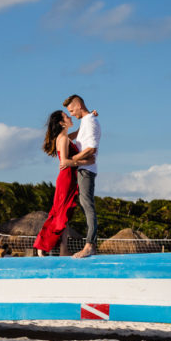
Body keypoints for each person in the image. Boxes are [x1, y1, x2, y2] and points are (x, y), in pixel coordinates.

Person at [33, 110, 95, 257]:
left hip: (68, 179)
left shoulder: (64, 137)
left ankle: (63, 249)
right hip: (66, 179)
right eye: (67, 116)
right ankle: (42, 246)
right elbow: (65, 162)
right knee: (60, 214)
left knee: (63, 215)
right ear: (62, 123)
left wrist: (89, 118)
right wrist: (87, 161)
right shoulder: (63, 139)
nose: (70, 116)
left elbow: (78, 133)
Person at [63, 94, 101, 258]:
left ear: (78, 105)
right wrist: (61, 138)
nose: (71, 114)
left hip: (87, 169)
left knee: (87, 205)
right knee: (83, 204)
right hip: (82, 168)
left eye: (71, 110)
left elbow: (91, 148)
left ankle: (90, 245)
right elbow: (78, 136)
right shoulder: (86, 121)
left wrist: (71, 160)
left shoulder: (90, 121)